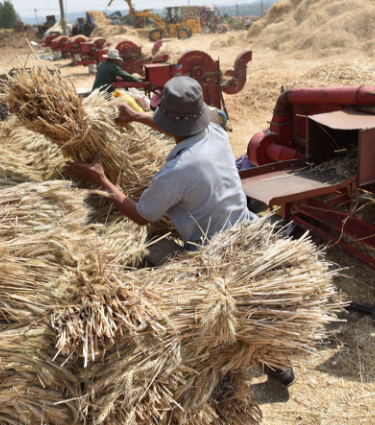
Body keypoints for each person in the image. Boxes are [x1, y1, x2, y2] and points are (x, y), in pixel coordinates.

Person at [65, 77, 295, 386]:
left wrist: (102, 180)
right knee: (254, 300)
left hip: (213, 254)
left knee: (152, 248)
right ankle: (279, 362)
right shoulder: (216, 132)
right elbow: (179, 128)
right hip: (249, 233)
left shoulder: (178, 170)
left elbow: (140, 215)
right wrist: (135, 116)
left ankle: (231, 349)